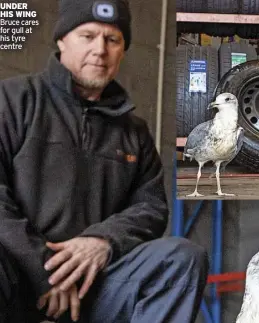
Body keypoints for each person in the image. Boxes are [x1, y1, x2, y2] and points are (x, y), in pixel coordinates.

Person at [0, 1, 208, 322]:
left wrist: (103, 240)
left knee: (181, 258)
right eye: (87, 36)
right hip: (19, 277)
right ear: (62, 40)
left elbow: (150, 209)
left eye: (112, 40)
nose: (100, 50)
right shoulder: (13, 101)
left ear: (123, 50)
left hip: (96, 289)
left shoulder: (133, 132)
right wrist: (47, 272)